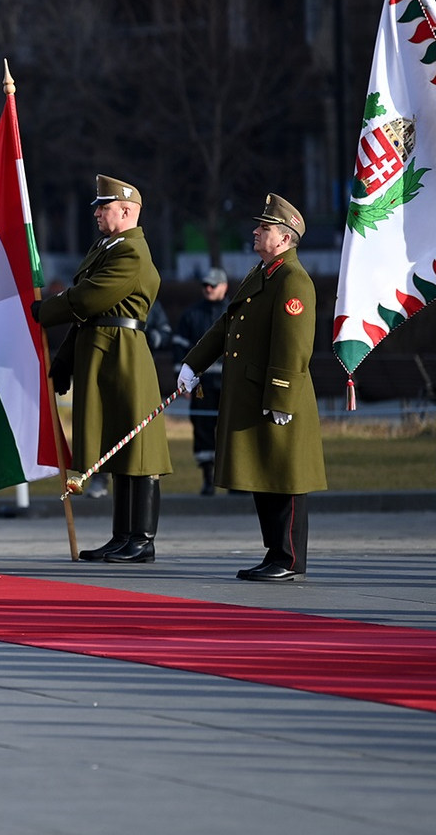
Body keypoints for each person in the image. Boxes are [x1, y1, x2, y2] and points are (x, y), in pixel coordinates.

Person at [179, 195, 325, 582]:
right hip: (253, 393)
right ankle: (275, 552)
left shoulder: (293, 281)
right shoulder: (263, 273)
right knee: (265, 474)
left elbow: (293, 345)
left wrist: (281, 395)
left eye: (265, 228)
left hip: (278, 394)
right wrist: (194, 361)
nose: (256, 231)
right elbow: (227, 325)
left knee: (286, 475)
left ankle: (289, 557)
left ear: (285, 238)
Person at [32, 174, 172, 563]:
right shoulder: (107, 247)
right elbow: (88, 316)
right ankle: (122, 535)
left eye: (103, 206)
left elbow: (92, 297)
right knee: (116, 445)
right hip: (102, 349)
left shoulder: (131, 252)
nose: (96, 212)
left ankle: (141, 538)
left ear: (126, 211)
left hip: (124, 355)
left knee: (137, 447)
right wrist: (64, 363)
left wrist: (48, 310)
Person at [173, 267, 231, 496]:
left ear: (224, 286)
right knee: (203, 430)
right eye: (205, 285)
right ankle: (208, 479)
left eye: (213, 285)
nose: (208, 288)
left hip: (229, 384)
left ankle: (234, 482)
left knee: (231, 431)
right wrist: (182, 381)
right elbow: (180, 348)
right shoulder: (191, 314)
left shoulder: (234, 312)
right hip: (202, 386)